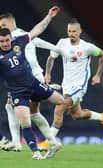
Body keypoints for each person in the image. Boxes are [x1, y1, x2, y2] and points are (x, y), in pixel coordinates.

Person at [0, 6, 65, 160]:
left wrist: (49, 16)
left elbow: (38, 31)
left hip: (34, 82)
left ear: (10, 37)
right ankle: (35, 151)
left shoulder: (20, 39)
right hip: (18, 92)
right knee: (25, 117)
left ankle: (50, 141)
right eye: (1, 41)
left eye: (6, 39)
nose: (4, 43)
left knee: (61, 101)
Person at [38, 18, 103, 150]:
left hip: (79, 86)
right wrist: (48, 73)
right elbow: (51, 57)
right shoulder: (62, 43)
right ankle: (102, 116)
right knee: (77, 115)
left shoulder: (87, 47)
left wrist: (98, 75)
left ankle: (49, 142)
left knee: (59, 108)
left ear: (80, 31)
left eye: (74, 31)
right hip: (67, 85)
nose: (71, 34)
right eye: (69, 31)